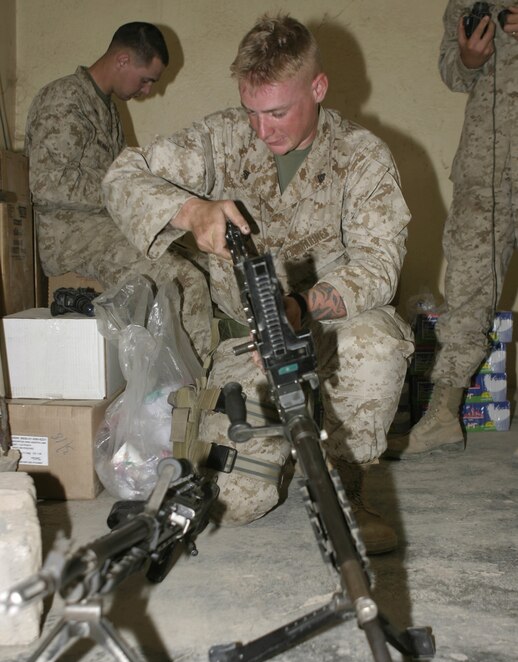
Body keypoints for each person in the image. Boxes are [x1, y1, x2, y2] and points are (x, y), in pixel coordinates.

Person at [103, 14, 414, 553]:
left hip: (325, 331)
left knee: (375, 341)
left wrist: (300, 305)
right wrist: (189, 210)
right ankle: (287, 450)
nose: (262, 130)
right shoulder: (221, 138)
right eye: (251, 112)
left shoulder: (362, 156)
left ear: (317, 88)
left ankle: (346, 483)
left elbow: (379, 263)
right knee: (233, 504)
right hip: (247, 346)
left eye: (277, 112)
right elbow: (122, 177)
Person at [25, 21, 213, 360]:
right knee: (187, 281)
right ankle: (190, 394)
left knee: (207, 259)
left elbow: (120, 180)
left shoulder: (106, 107)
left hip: (103, 226)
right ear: (123, 60)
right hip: (69, 237)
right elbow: (48, 185)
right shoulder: (65, 98)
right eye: (145, 80)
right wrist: (125, 196)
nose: (146, 92)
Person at [386, 2, 518, 459]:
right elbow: (453, 72)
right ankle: (444, 414)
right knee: (467, 288)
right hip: (486, 168)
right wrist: (469, 59)